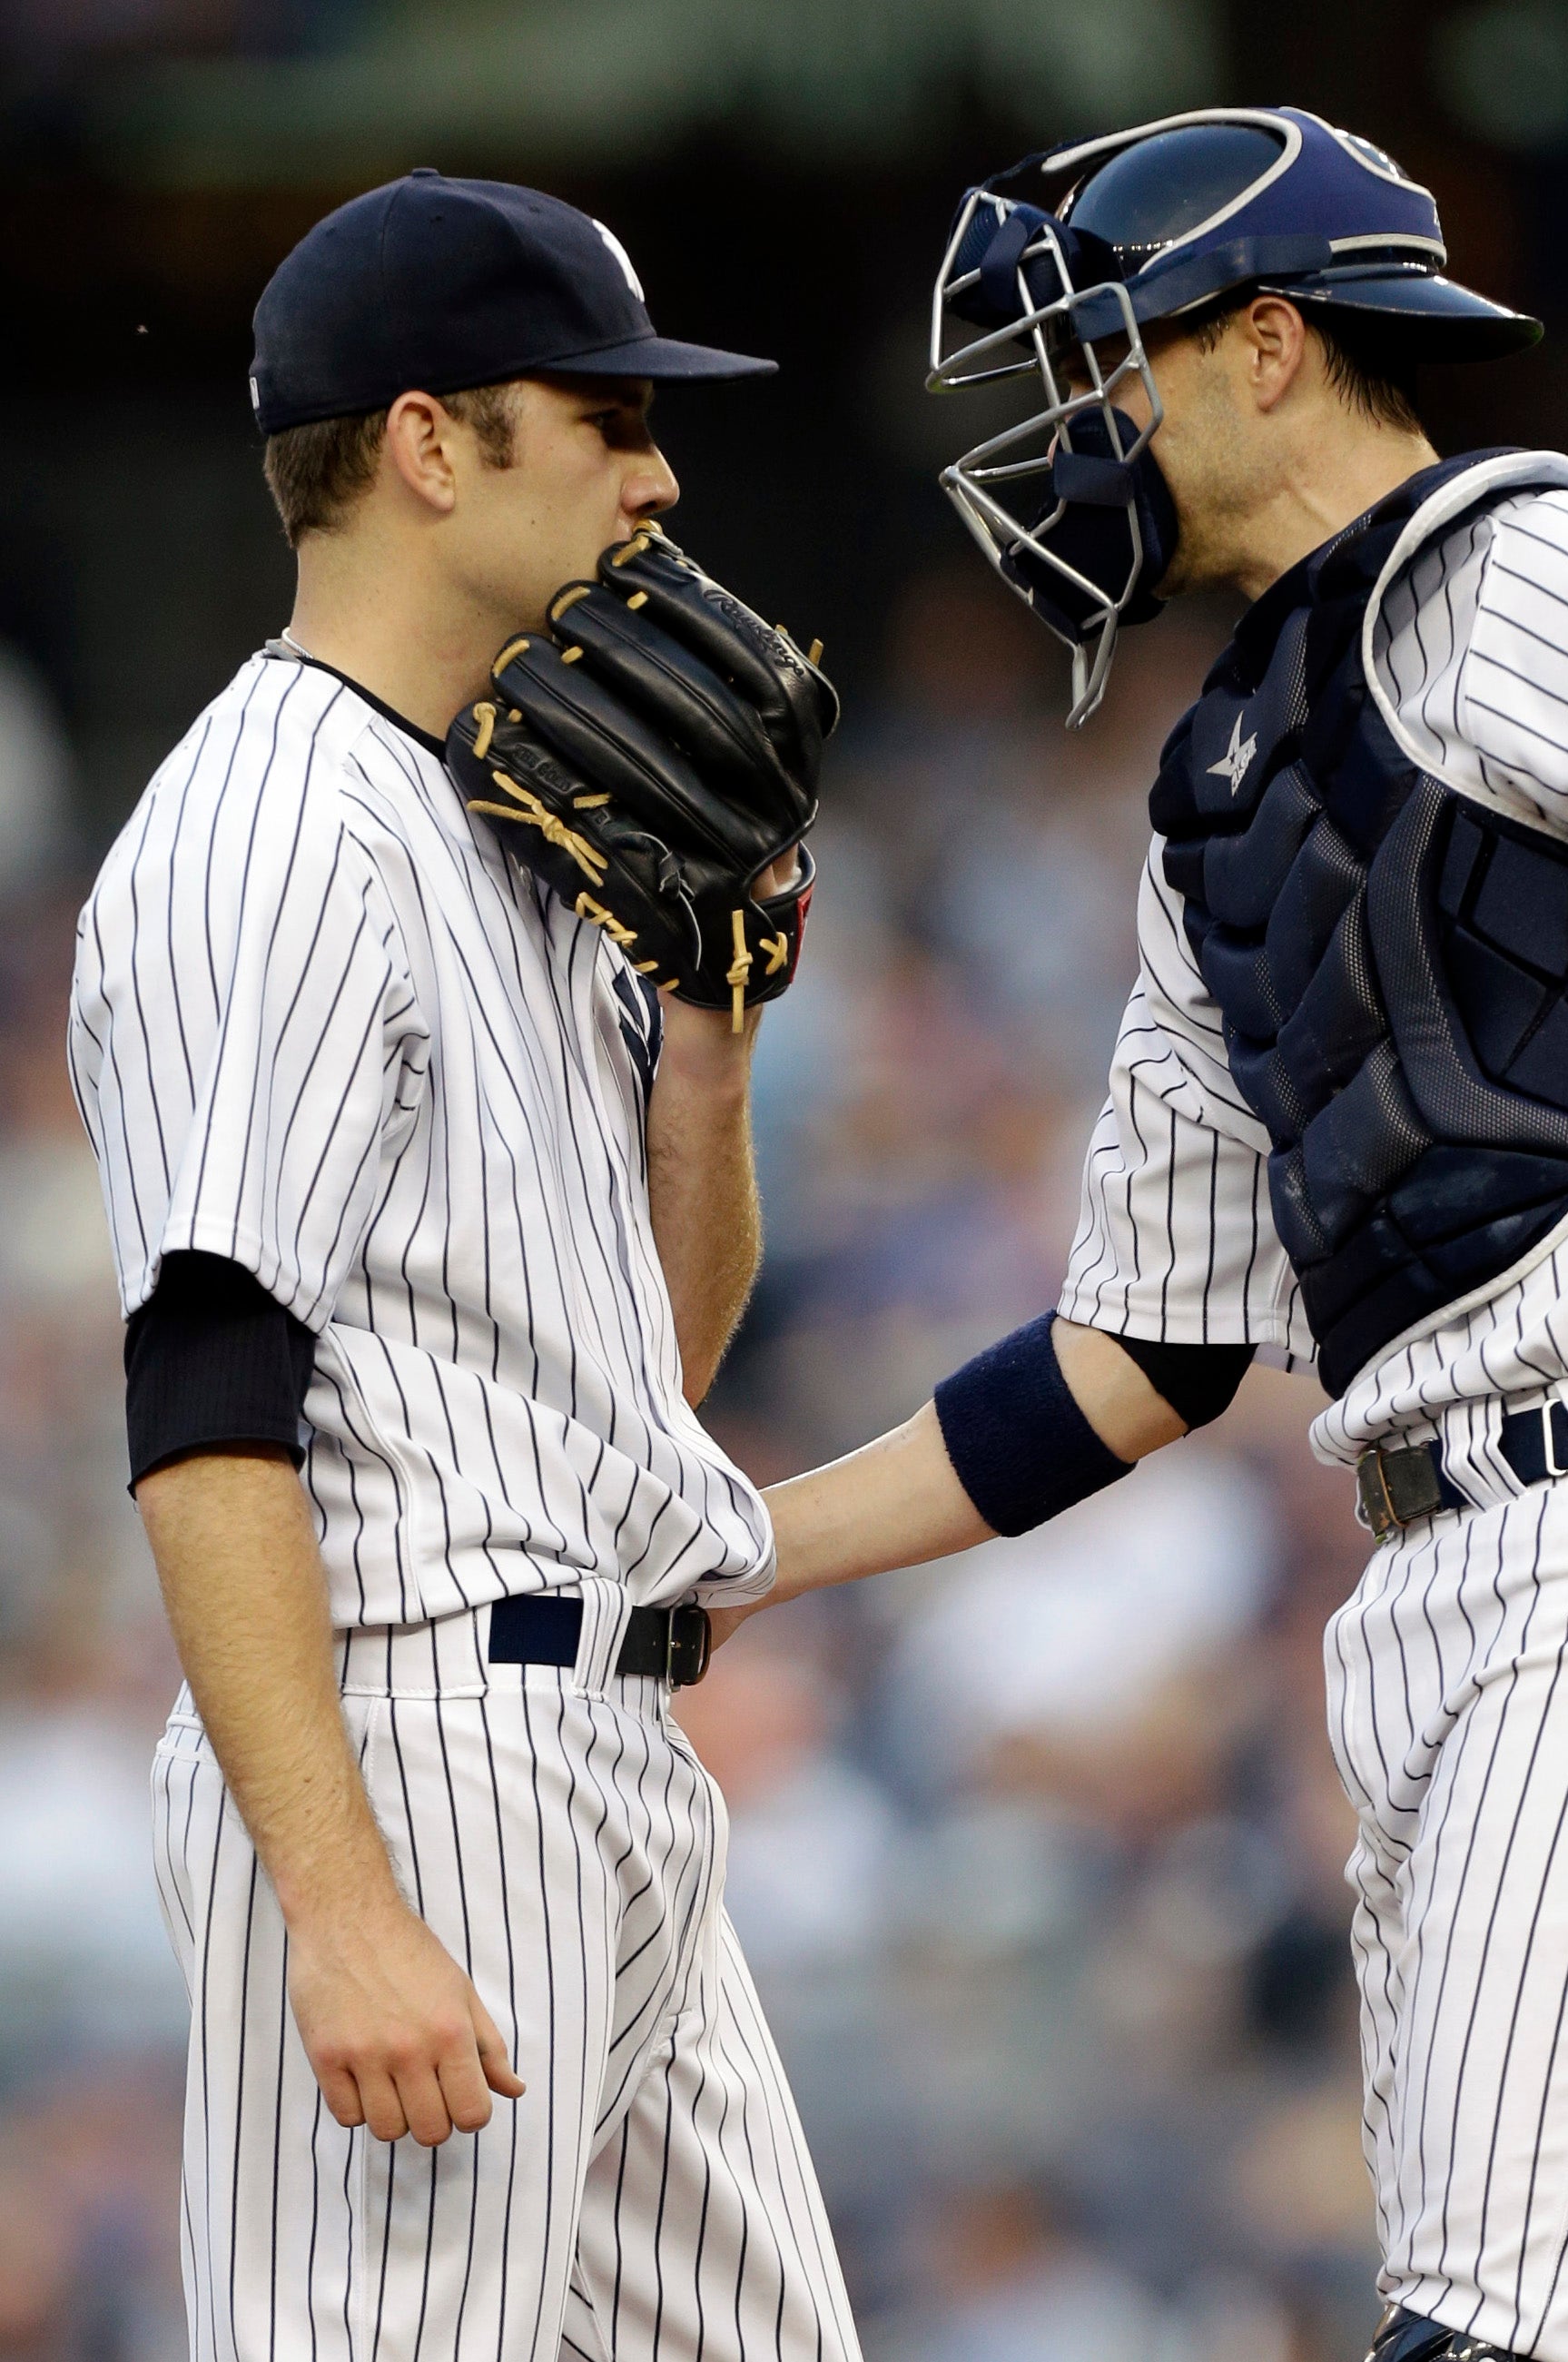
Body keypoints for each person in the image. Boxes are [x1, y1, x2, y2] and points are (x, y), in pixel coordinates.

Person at [736, 109, 1568, 2362]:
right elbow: (1137, 1357)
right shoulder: (1224, 775)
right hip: (1450, 1577)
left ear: (1274, 344)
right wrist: (736, 1550)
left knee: (1495, 2339)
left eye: (1109, 359)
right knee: (1493, 2326)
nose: (1077, 427)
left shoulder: (1525, 571)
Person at [68, 171, 858, 2361]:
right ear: (430, 443)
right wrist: (334, 1903)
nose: (657, 467)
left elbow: (647, 1369)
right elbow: (207, 1399)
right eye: (600, 409)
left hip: (613, 1745)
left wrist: (710, 1049)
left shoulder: (530, 829)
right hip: (416, 1737)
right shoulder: (270, 831)